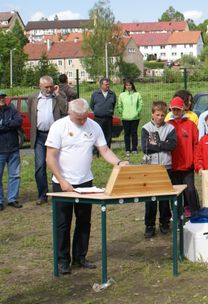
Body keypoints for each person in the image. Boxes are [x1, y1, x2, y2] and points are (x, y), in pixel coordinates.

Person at [45, 98, 128, 275]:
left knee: (84, 221)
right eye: (78, 118)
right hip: (63, 182)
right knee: (62, 223)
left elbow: (104, 150)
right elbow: (50, 157)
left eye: (84, 117)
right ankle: (62, 260)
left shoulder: (93, 126)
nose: (82, 121)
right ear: (69, 113)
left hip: (85, 182)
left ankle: (80, 257)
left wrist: (119, 163)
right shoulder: (59, 127)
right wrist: (62, 181)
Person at [28, 75, 68, 205]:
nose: (49, 89)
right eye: (46, 87)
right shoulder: (33, 98)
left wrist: (57, 95)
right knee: (40, 166)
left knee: (56, 164)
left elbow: (66, 109)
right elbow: (31, 115)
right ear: (40, 86)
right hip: (39, 136)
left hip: (55, 136)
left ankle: (57, 192)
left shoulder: (58, 96)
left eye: (51, 86)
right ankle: (42, 195)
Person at [141, 101, 177, 238]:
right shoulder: (145, 128)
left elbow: (172, 145)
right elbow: (145, 146)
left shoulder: (170, 128)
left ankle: (165, 222)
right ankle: (149, 225)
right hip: (150, 166)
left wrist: (156, 143)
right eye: (157, 115)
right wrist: (163, 144)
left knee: (164, 196)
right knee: (150, 198)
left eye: (162, 115)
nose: (160, 118)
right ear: (152, 114)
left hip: (165, 166)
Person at [168, 97, 200, 217]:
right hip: (173, 165)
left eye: (178, 109)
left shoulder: (190, 125)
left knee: (190, 190)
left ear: (183, 110)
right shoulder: (168, 125)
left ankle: (196, 213)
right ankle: (176, 214)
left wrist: (196, 162)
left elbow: (196, 145)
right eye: (173, 109)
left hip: (187, 165)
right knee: (175, 191)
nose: (176, 112)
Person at [0, 90, 23, 210]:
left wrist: (4, 124)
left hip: (13, 148)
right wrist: (9, 124)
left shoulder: (12, 109)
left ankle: (12, 199)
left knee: (14, 175)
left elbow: (18, 121)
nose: (2, 99)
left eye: (3, 97)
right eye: (0, 97)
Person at [117, 80, 142, 155]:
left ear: (132, 85)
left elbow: (140, 104)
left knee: (134, 133)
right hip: (125, 118)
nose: (128, 86)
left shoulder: (137, 94)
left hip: (135, 118)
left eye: (130, 85)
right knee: (126, 134)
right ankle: (127, 149)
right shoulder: (122, 95)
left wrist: (137, 112)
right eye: (127, 85)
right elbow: (119, 105)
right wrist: (121, 112)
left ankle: (134, 149)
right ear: (125, 86)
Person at [90, 78, 117, 148]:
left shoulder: (112, 94)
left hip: (108, 118)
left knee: (108, 135)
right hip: (98, 118)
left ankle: (107, 150)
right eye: (106, 84)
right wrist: (98, 111)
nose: (108, 86)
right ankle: (97, 151)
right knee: (98, 134)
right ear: (101, 85)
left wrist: (108, 111)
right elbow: (92, 105)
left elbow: (113, 105)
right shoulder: (95, 94)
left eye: (108, 84)